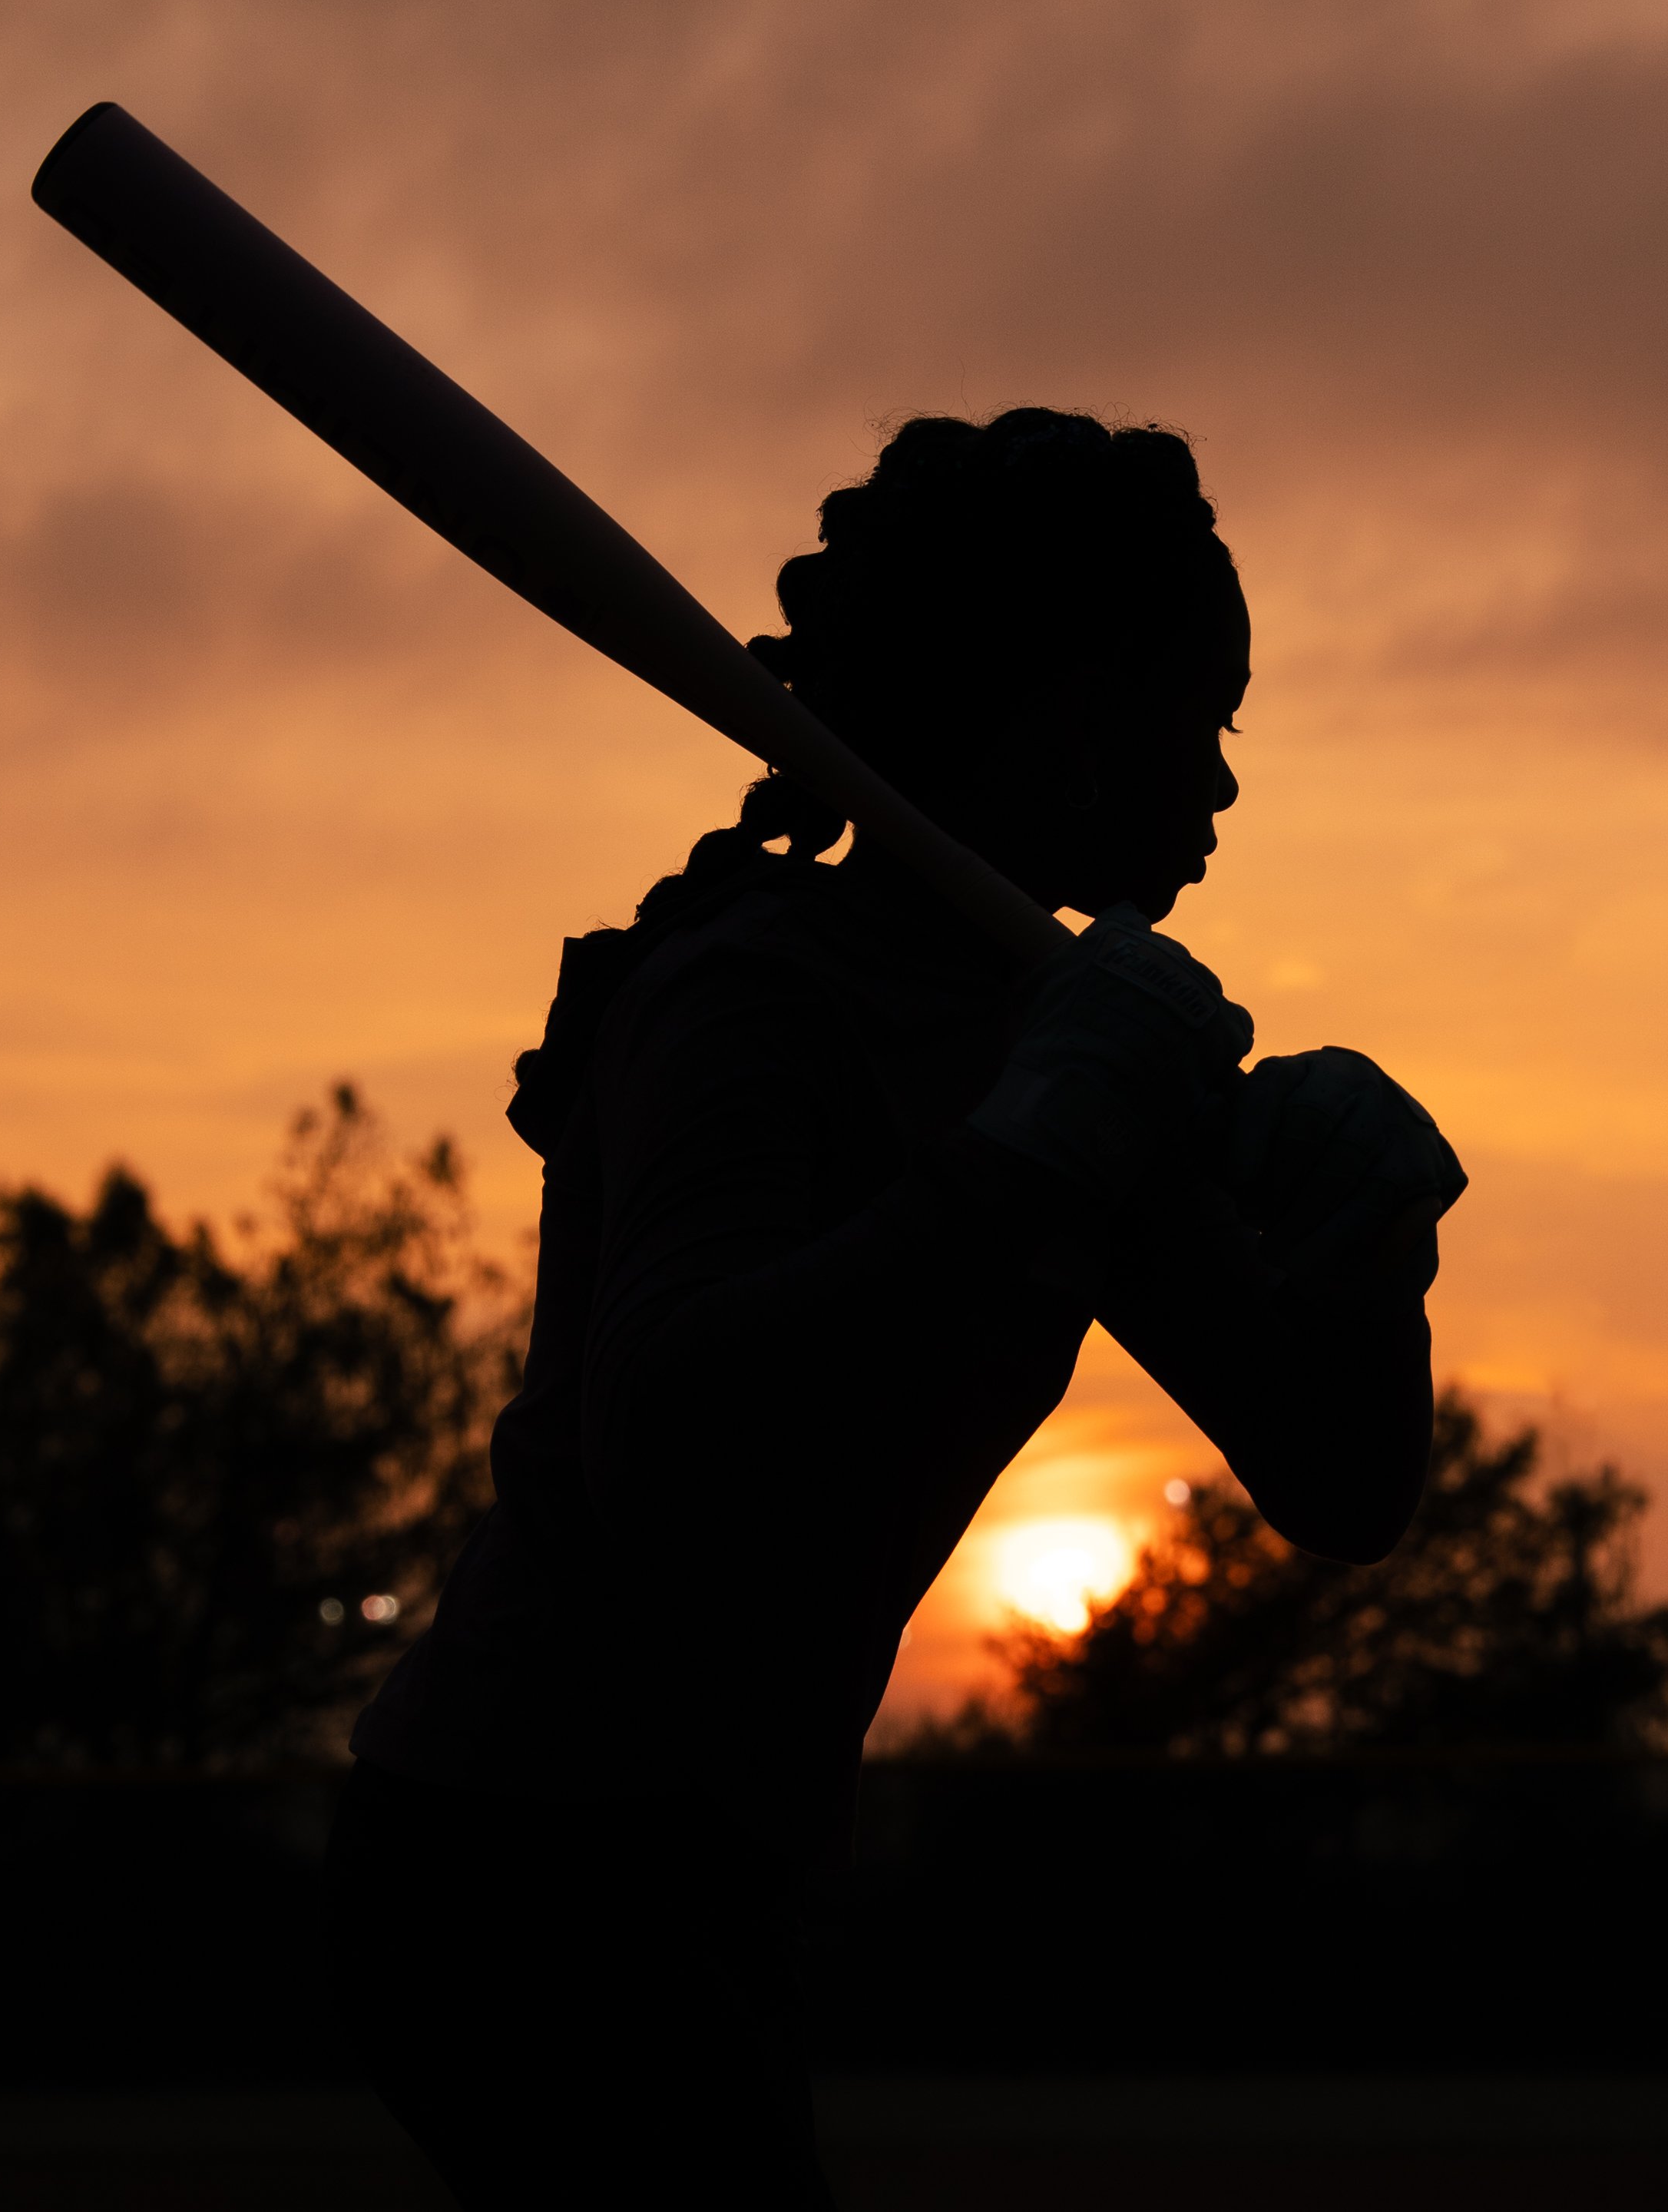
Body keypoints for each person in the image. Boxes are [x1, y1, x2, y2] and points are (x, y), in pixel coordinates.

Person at [323, 409, 1465, 2207]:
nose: (1228, 782)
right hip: (509, 1855)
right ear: (1083, 712)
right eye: (1207, 715)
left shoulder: (1077, 1050)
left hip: (718, 1869)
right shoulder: (749, 995)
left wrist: (1365, 1243)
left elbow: (1338, 1483)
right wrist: (1025, 1153)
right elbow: (667, 1437)